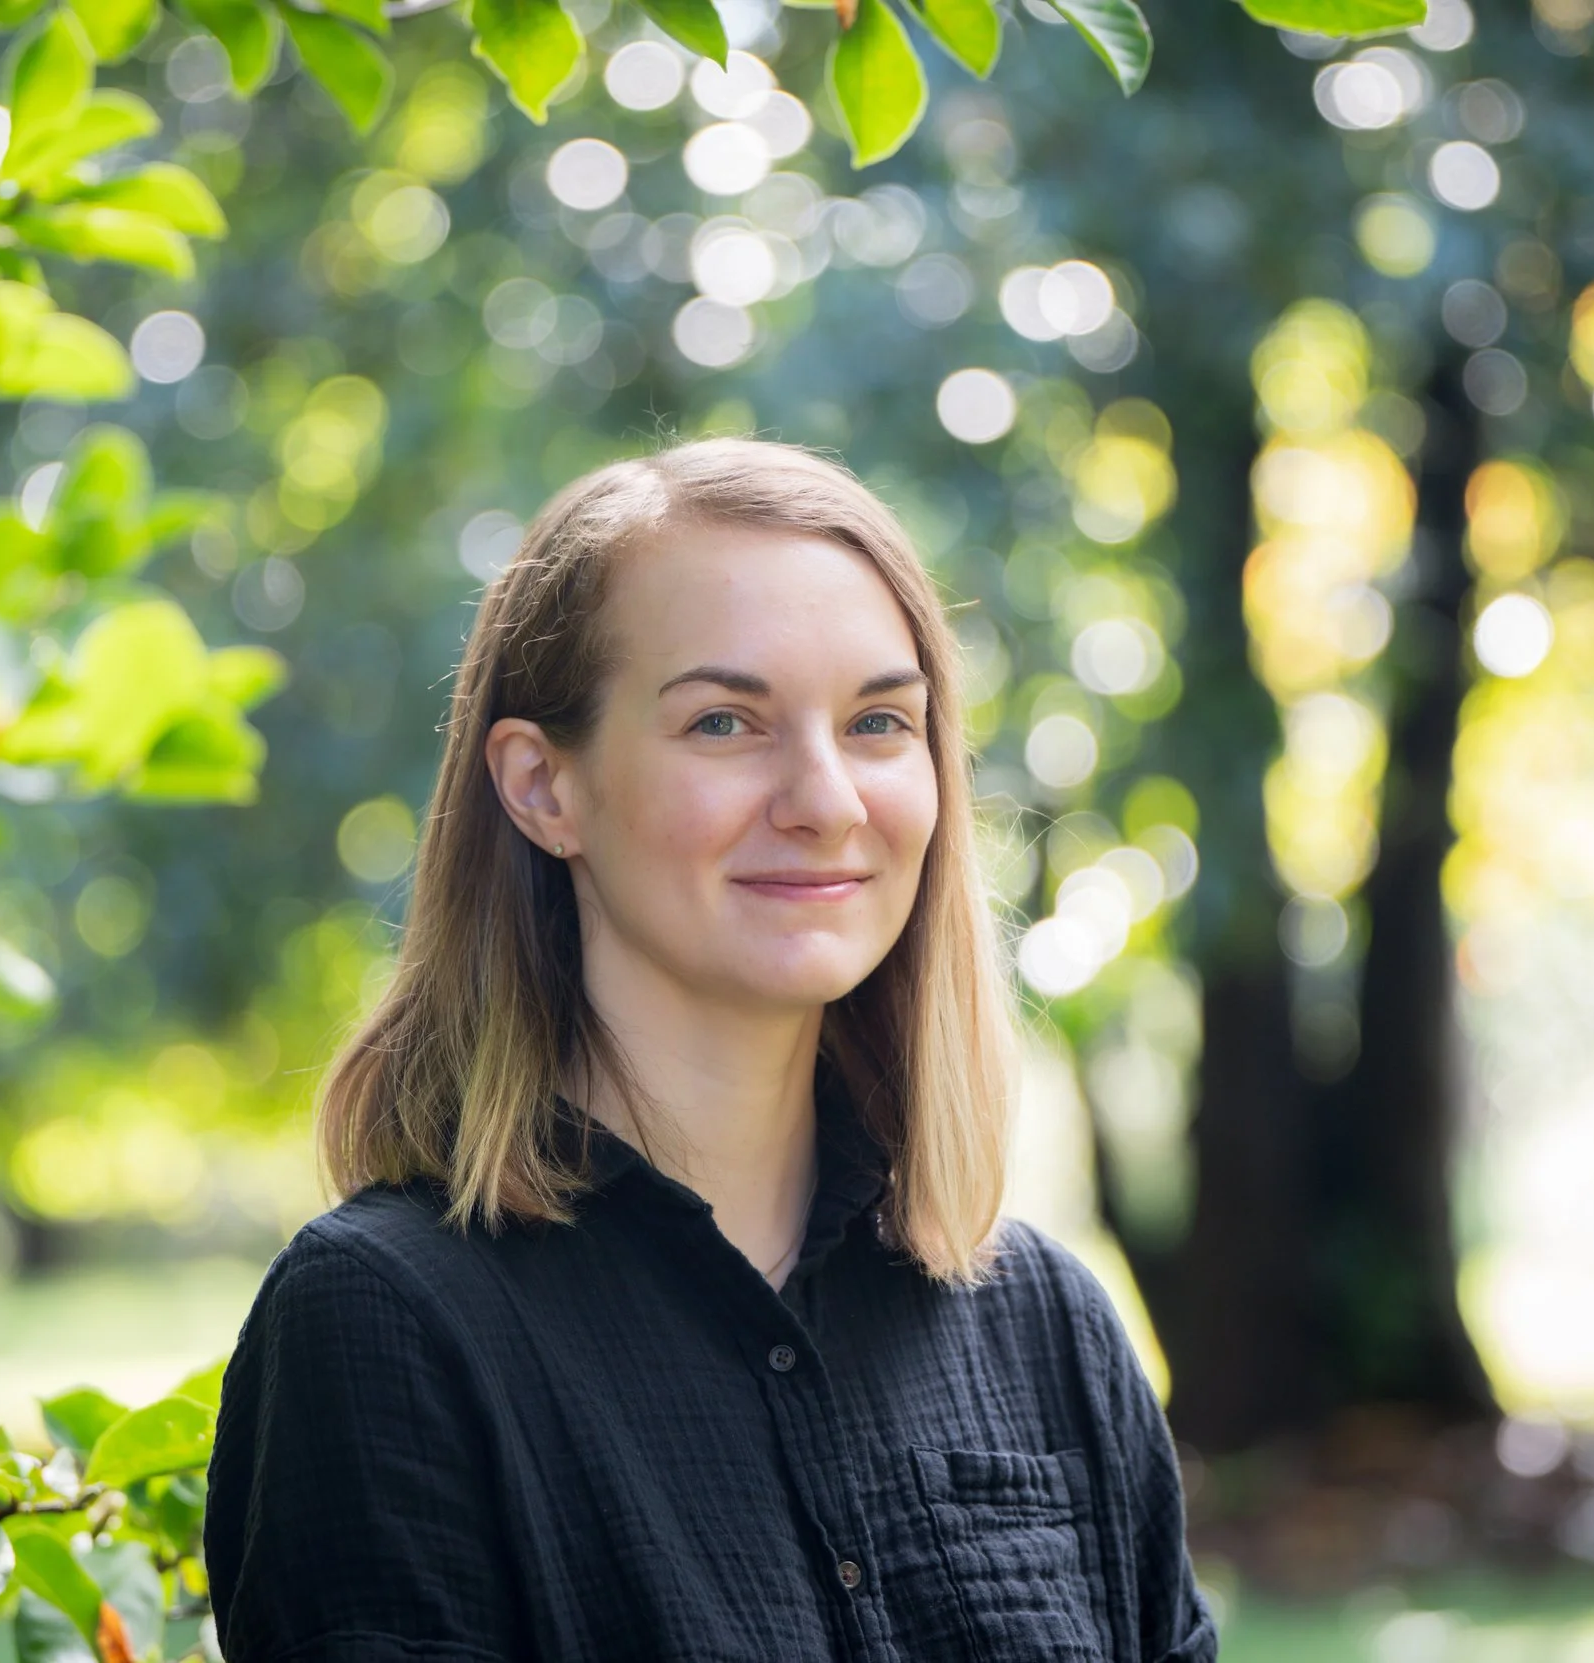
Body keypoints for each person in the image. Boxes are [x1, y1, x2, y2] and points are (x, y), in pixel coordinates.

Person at [204, 438, 1217, 1663]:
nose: (826, 798)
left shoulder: (1048, 1328)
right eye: (725, 721)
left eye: (878, 720)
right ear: (542, 788)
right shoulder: (387, 1324)